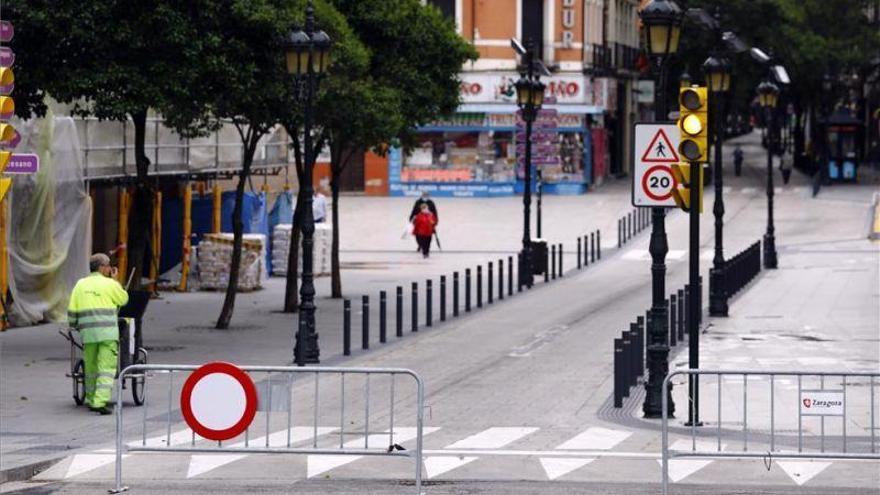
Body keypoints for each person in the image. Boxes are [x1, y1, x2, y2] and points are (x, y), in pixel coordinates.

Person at [68, 254, 129, 415]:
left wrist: (74, 325)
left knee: (91, 367)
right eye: (109, 266)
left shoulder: (80, 285)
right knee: (106, 368)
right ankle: (99, 402)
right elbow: (123, 299)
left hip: (88, 334)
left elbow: (72, 311)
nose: (110, 269)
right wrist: (116, 280)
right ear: (102, 267)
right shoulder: (109, 284)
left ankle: (91, 397)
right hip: (107, 333)